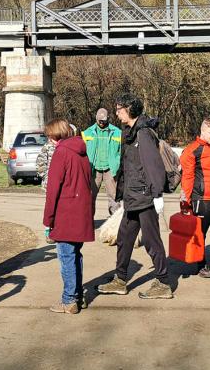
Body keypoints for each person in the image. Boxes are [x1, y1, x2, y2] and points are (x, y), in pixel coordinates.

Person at [98, 94, 171, 299]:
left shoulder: (143, 134)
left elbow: (153, 165)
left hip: (145, 197)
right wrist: (122, 193)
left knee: (151, 240)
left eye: (120, 109)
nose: (117, 112)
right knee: (124, 238)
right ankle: (120, 280)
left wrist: (157, 195)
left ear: (130, 110)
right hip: (132, 197)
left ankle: (163, 283)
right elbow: (129, 166)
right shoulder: (129, 132)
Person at [42, 118, 95, 314]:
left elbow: (53, 189)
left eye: (49, 136)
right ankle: (78, 296)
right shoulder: (82, 151)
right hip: (81, 211)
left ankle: (69, 299)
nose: (49, 140)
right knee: (75, 255)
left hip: (66, 213)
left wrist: (48, 220)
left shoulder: (61, 152)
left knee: (66, 257)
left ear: (55, 136)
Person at [179, 117, 210, 277]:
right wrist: (185, 201)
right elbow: (187, 177)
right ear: (203, 131)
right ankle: (201, 265)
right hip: (201, 200)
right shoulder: (192, 150)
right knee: (199, 234)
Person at [83, 107, 122, 215]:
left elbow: (121, 151)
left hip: (111, 169)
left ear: (107, 119)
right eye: (99, 120)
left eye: (104, 120)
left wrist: (117, 163)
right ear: (96, 118)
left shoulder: (117, 132)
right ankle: (88, 222)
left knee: (114, 197)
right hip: (94, 169)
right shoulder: (87, 133)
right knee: (89, 196)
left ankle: (115, 222)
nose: (101, 123)